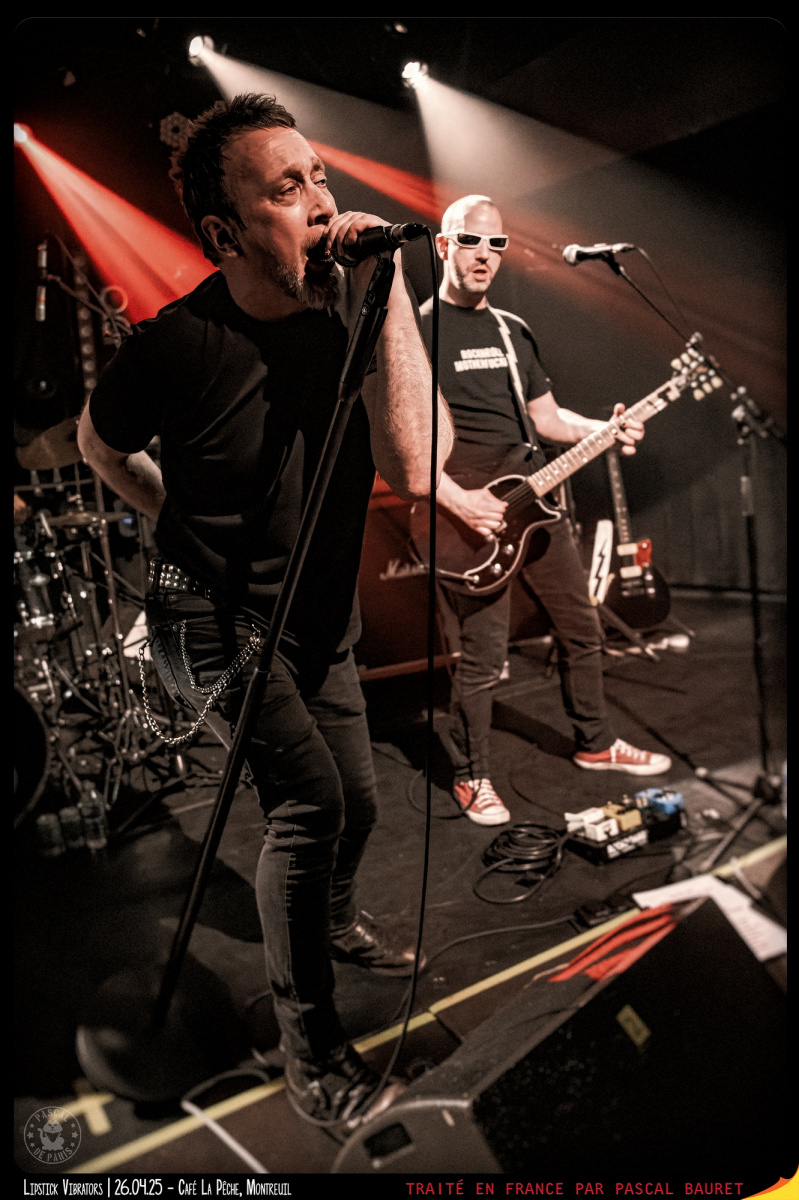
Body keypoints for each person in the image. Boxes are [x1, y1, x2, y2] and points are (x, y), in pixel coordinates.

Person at [78, 94, 452, 1128]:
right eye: (286, 190)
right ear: (225, 232)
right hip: (205, 616)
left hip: (310, 612)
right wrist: (170, 517)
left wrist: (387, 291)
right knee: (310, 806)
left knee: (359, 802)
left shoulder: (347, 317)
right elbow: (98, 443)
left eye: (318, 177)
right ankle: (311, 1052)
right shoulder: (178, 343)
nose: (321, 203)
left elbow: (416, 463)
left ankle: (326, 921)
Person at [418, 194, 671, 828]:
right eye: (471, 241)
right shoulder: (417, 333)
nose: (485, 255)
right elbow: (396, 443)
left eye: (496, 244)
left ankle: (595, 741)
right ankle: (471, 775)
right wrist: (457, 501)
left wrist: (606, 429)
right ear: (444, 245)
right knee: (484, 659)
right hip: (470, 517)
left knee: (582, 628)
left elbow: (549, 419)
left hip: (536, 505)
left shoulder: (512, 330)